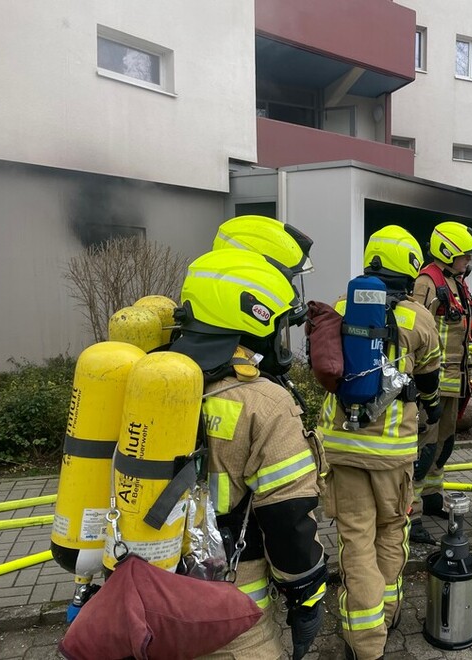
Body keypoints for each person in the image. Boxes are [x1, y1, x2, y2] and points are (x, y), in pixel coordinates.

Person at [171, 249, 326, 660]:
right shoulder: (262, 401)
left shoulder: (148, 378)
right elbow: (287, 515)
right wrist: (307, 593)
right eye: (278, 326)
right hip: (231, 609)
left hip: (149, 593)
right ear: (252, 321)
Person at [316, 226, 441, 660]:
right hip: (393, 455)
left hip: (343, 446)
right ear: (408, 267)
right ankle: (385, 615)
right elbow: (428, 379)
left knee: (355, 539)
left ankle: (364, 641)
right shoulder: (419, 318)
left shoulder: (339, 306)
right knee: (392, 530)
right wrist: (429, 408)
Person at [410, 221, 472, 543]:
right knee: (424, 446)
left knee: (445, 441)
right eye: (465, 256)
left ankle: (432, 498)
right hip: (434, 378)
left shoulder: (454, 282)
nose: (468, 262)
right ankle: (411, 514)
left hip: (456, 377)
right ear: (448, 252)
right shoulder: (427, 282)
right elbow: (415, 329)